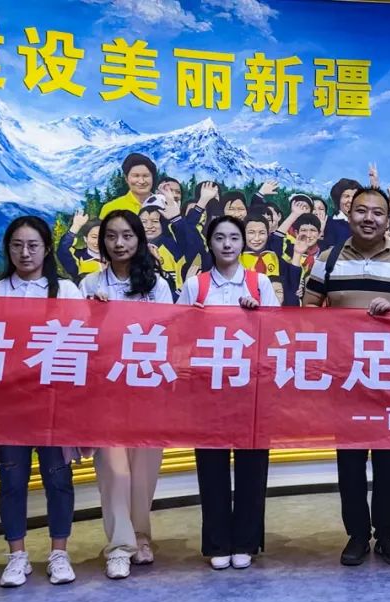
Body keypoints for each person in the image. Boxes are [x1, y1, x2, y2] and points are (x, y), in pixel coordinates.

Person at [303, 187, 390, 566]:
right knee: (350, 461)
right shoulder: (327, 259)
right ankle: (357, 535)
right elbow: (308, 308)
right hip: (346, 378)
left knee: (389, 461)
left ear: (387, 220)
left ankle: (388, 535)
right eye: (361, 211)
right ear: (349, 215)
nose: (369, 218)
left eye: (377, 213)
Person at [0, 216, 84, 587]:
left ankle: (59, 553)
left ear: (46, 249)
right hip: (10, 404)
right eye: (17, 246)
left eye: (33, 245)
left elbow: (82, 343)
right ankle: (17, 556)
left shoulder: (66, 292)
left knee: (58, 478)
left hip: (55, 403)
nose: (25, 253)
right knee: (12, 479)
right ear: (8, 250)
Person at [178, 215, 278, 570]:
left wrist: (258, 315)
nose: (227, 244)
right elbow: (177, 335)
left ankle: (246, 541)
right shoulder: (196, 285)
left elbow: (278, 333)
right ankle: (218, 542)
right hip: (209, 389)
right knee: (211, 466)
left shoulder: (259, 282)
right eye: (219, 237)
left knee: (252, 467)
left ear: (243, 243)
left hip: (251, 389)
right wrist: (192, 318)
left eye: (234, 237)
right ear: (210, 243)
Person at [80, 210, 174, 580]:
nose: (119, 244)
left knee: (144, 471)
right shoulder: (90, 284)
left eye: (127, 236)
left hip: (147, 388)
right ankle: (119, 546)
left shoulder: (157, 286)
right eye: (111, 236)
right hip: (105, 391)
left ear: (139, 240)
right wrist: (95, 314)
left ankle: (141, 535)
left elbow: (167, 334)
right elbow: (81, 339)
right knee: (115, 471)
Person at [100, 153, 157, 218]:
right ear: (126, 178)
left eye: (145, 176)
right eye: (136, 176)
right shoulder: (110, 208)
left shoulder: (163, 204)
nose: (141, 181)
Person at [57, 209, 102, 281]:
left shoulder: (115, 257)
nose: (98, 242)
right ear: (85, 239)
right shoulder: (78, 257)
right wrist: (76, 226)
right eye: (94, 237)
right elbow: (63, 250)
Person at [319, 178, 360, 250]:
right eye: (347, 196)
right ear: (338, 199)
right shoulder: (327, 222)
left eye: (355, 196)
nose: (351, 200)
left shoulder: (364, 223)